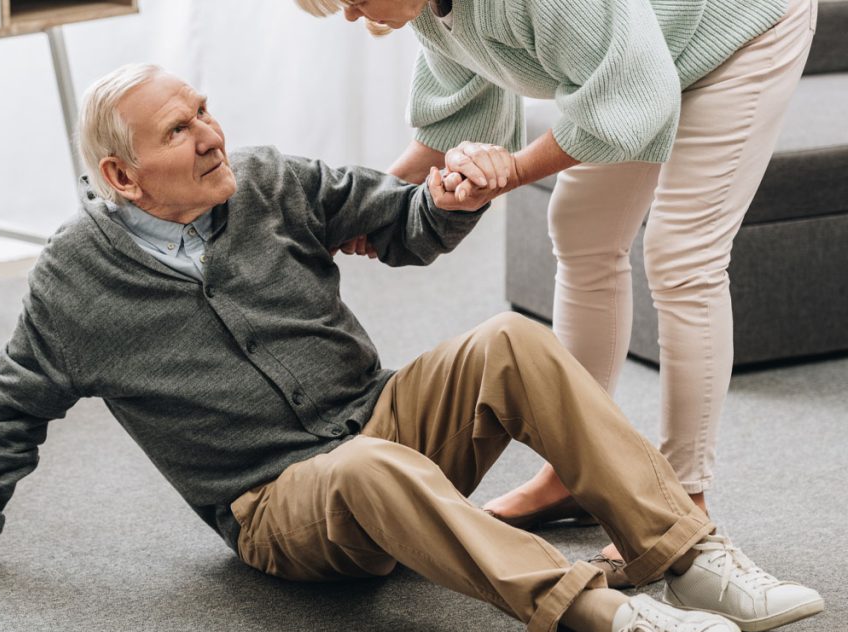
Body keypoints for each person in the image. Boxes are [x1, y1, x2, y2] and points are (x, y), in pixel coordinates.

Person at [0, 65, 823, 632]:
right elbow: (8, 411)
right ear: (124, 178)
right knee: (367, 468)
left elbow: (400, 226)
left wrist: (451, 197)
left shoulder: (266, 178)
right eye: (179, 130)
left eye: (205, 110)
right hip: (277, 505)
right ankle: (617, 620)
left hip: (382, 419)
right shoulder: (72, 283)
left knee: (506, 341)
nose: (211, 133)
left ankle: (682, 554)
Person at [294, 0, 818, 586]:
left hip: (741, 29)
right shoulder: (427, 12)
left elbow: (630, 100)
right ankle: (573, 474)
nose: (350, 15)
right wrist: (364, 211)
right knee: (582, 230)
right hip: (641, 56)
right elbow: (461, 123)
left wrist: (510, 172)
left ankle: (682, 502)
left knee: (681, 255)